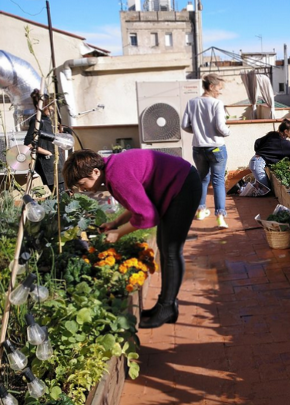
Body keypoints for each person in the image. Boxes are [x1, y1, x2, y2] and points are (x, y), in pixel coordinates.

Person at [62, 148, 202, 329]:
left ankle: (167, 308)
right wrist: (116, 223)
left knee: (171, 252)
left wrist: (118, 233)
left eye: (82, 184)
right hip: (178, 185)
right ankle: (165, 305)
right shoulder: (113, 169)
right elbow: (138, 202)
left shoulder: (115, 176)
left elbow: (148, 216)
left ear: (95, 172)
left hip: (183, 186)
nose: (82, 189)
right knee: (165, 248)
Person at [181, 73, 230, 229]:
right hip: (216, 148)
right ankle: (220, 217)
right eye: (219, 88)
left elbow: (184, 125)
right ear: (211, 86)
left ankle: (201, 211)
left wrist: (197, 132)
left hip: (198, 148)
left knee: (202, 179)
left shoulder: (192, 103)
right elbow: (221, 128)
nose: (220, 92)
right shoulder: (216, 104)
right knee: (218, 182)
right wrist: (228, 131)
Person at [24, 89, 65, 194]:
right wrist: (47, 152)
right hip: (47, 163)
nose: (52, 108)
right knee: (58, 194)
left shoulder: (48, 120)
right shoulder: (37, 120)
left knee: (62, 192)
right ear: (41, 106)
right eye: (50, 106)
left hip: (55, 161)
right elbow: (29, 143)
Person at [248, 119, 290, 190]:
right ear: (286, 131)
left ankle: (243, 189)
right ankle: (242, 190)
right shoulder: (283, 143)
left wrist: (260, 153)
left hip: (255, 161)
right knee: (266, 190)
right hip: (258, 164)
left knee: (265, 188)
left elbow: (258, 142)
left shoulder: (272, 134)